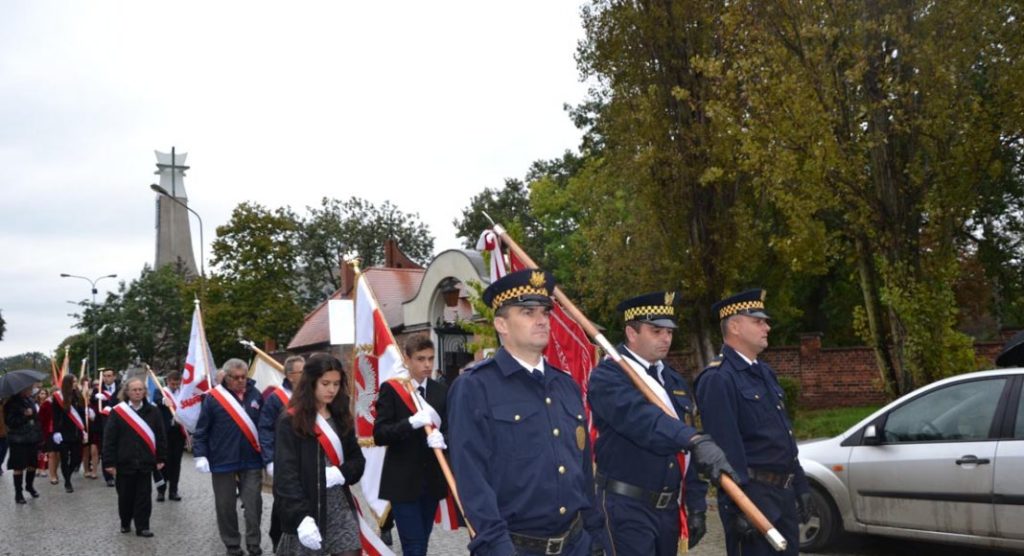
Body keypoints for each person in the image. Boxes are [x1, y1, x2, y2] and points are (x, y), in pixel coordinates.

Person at [448, 269, 611, 556]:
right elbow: (472, 481)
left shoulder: (566, 385)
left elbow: (582, 468)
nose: (541, 320)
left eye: (545, 312)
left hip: (577, 544)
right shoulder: (475, 387)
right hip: (516, 547)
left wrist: (596, 535)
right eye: (527, 312)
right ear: (501, 324)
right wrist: (497, 547)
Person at [588, 291, 734, 555]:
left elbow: (687, 451)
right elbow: (645, 422)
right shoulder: (609, 376)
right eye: (656, 330)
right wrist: (694, 439)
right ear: (632, 333)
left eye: (669, 331)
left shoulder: (673, 380)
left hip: (668, 510)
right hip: (627, 508)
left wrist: (697, 504)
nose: (666, 338)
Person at [695, 289, 812, 556]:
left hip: (783, 494)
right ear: (735, 326)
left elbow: (783, 437)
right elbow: (725, 453)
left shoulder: (764, 372)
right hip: (754, 498)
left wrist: (801, 485)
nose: (767, 327)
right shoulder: (718, 378)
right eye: (758, 321)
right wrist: (741, 507)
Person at [274, 353, 365, 556]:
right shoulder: (290, 421)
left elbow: (358, 460)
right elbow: (286, 476)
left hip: (339, 507)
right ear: (311, 382)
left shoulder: (341, 416)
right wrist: (300, 517)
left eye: (336, 383)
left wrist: (342, 473)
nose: (332, 389)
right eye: (325, 383)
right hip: (308, 509)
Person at [373, 335, 449, 556]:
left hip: (432, 480)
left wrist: (443, 439)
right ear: (407, 359)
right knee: (413, 546)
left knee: (421, 543)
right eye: (420, 359)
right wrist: (410, 423)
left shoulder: (441, 391)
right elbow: (380, 434)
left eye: (431, 359)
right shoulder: (392, 389)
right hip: (402, 481)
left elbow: (452, 428)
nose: (427, 365)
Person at [193, 359, 265, 556]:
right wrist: (200, 455)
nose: (241, 381)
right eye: (236, 378)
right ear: (226, 377)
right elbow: (201, 430)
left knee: (253, 505)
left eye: (244, 377)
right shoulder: (213, 399)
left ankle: (254, 544)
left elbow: (264, 428)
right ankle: (232, 545)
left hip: (251, 459)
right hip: (223, 460)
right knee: (225, 506)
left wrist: (269, 455)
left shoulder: (256, 395)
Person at [102, 377, 166, 537]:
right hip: (124, 461)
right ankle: (125, 521)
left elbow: (160, 435)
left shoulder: (153, 411)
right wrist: (109, 462)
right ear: (127, 392)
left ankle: (143, 526)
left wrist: (161, 458)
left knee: (144, 496)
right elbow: (109, 438)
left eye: (140, 390)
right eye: (134, 390)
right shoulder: (118, 411)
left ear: (145, 391)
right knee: (125, 496)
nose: (138, 392)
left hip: (145, 460)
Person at [259, 354, 306, 551]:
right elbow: (265, 429)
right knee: (283, 504)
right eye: (302, 371)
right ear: (290, 375)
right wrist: (270, 460)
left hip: (306, 460)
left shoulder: (312, 395)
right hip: (284, 460)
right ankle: (278, 540)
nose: (307, 375)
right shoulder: (275, 399)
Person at [5, 384, 43, 504]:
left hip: (32, 437)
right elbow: (10, 422)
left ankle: (29, 486)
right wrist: (25, 416)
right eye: (29, 389)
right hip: (18, 439)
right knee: (19, 467)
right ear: (22, 389)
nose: (31, 390)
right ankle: (18, 493)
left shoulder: (30, 400)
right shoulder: (11, 403)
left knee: (32, 464)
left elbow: (35, 417)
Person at [51, 375, 88, 493]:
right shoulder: (58, 397)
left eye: (76, 381)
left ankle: (68, 474)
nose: (76, 383)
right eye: (74, 381)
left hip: (77, 432)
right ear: (68, 383)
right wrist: (56, 431)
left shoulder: (78, 395)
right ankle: (67, 481)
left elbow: (82, 415)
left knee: (77, 458)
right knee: (64, 458)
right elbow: (55, 416)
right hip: (63, 433)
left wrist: (85, 430)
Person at [155, 370, 187, 502]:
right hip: (164, 433)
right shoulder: (161, 391)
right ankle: (161, 490)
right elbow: (155, 399)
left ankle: (173, 490)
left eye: (177, 384)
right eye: (172, 384)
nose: (175, 386)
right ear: (168, 381)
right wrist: (163, 400)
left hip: (178, 433)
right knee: (163, 462)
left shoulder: (183, 393)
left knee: (176, 463)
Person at [94, 368, 121, 487]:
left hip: (119, 421)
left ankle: (120, 472)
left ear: (114, 376)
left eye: (109, 375)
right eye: (105, 376)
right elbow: (91, 404)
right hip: (104, 424)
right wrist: (95, 398)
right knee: (106, 449)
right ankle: (108, 477)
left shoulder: (121, 388)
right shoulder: (98, 389)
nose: (107, 378)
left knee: (120, 448)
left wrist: (109, 400)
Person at [37, 387, 59, 485]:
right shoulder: (46, 404)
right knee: (51, 454)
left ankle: (54, 471)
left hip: (60, 432)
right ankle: (52, 476)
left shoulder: (62, 403)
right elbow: (40, 420)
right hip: (49, 432)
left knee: (58, 455)